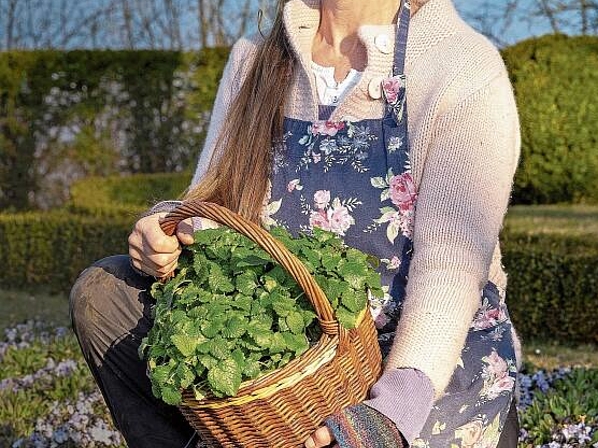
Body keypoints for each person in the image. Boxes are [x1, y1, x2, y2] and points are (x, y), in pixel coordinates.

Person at [70, 0, 522, 447]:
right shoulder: (256, 57)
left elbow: (452, 265)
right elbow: (215, 202)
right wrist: (168, 229)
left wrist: (391, 413)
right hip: (288, 362)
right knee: (105, 294)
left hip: (420, 371)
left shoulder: (460, 65)